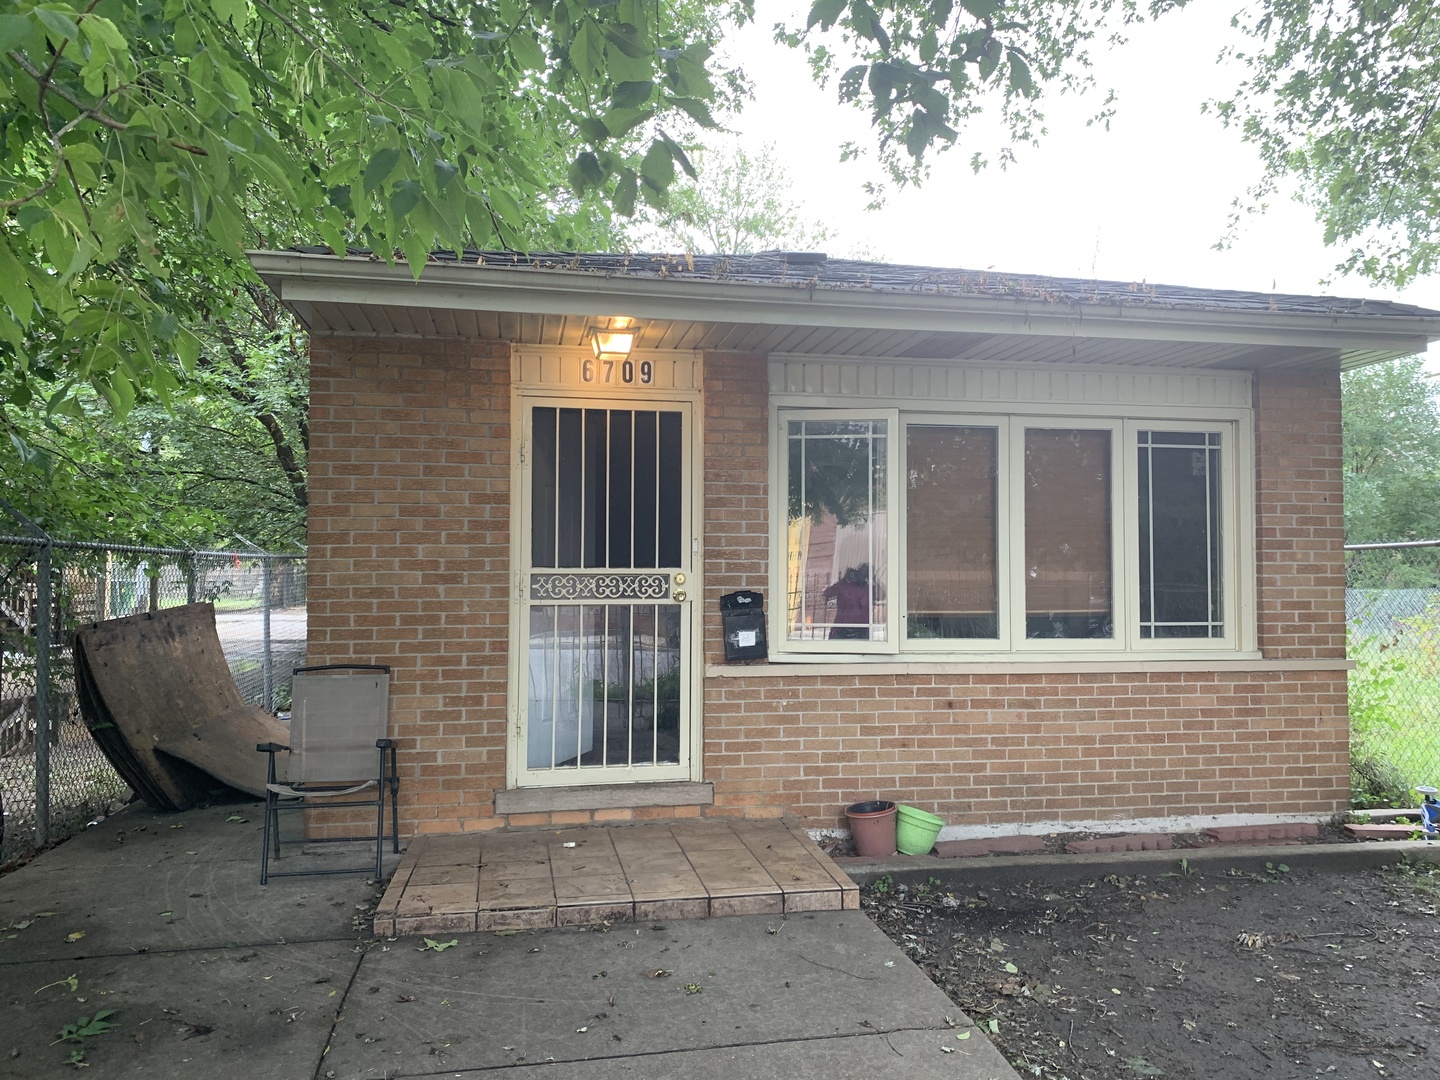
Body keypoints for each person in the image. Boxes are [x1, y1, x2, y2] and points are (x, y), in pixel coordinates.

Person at [824, 564, 880, 640]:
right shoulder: (845, 586)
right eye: (861, 572)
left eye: (865, 572)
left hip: (861, 630)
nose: (862, 575)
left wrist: (875, 579)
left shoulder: (869, 589)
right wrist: (843, 580)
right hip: (842, 629)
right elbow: (827, 593)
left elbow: (883, 595)